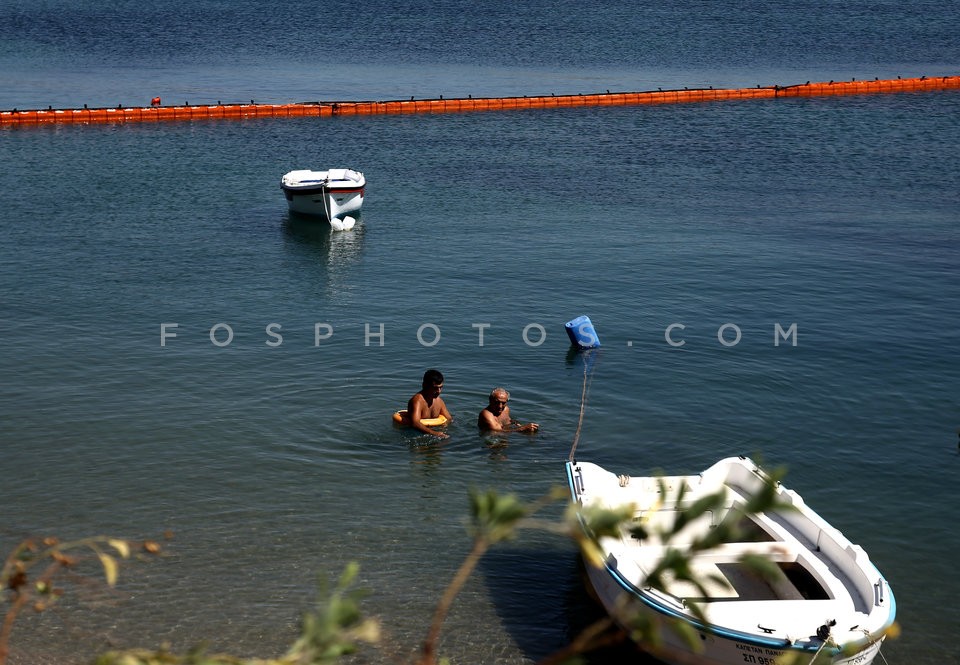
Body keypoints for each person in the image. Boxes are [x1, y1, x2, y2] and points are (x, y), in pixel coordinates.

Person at [406, 369, 452, 438]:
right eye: (435, 388)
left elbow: (449, 419)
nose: (439, 391)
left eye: (441, 387)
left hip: (434, 434)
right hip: (415, 435)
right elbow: (415, 423)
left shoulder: (439, 401)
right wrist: (435, 433)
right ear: (424, 385)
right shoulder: (417, 401)